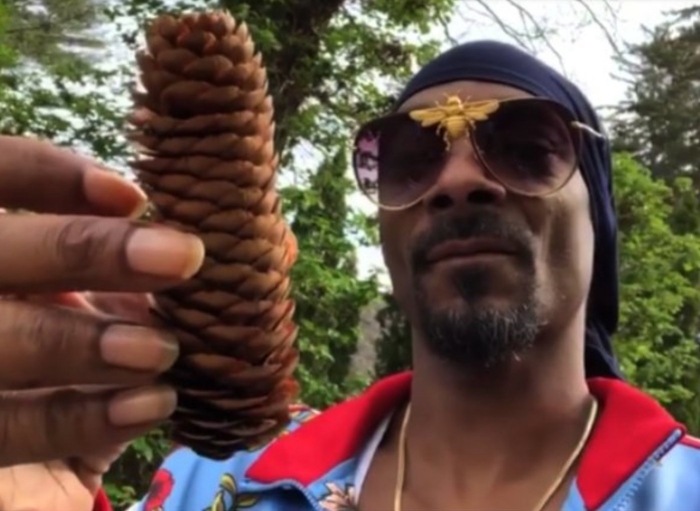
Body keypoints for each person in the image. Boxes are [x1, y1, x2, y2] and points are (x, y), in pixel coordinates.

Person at [0, 40, 699, 511]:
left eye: (526, 147)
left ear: (600, 218)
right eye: (409, 160)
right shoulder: (213, 481)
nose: (457, 181)